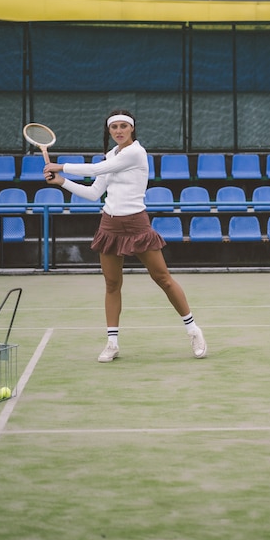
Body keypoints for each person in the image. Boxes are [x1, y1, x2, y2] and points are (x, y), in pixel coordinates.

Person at [43, 109, 207, 363]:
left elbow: (96, 169)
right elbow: (94, 193)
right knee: (111, 284)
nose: (118, 131)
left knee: (162, 278)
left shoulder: (136, 153)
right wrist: (62, 182)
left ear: (132, 129)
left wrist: (60, 165)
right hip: (109, 225)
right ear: (109, 131)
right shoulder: (111, 155)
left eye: (123, 126)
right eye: (114, 127)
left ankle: (193, 330)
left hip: (137, 225)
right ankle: (112, 343)